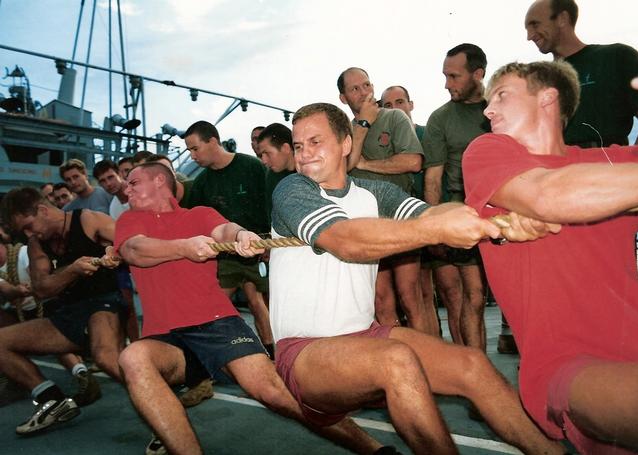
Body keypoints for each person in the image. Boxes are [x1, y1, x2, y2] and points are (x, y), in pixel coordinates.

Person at [269, 102, 564, 455]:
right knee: (397, 359)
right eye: (299, 146)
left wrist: (500, 223)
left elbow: (431, 213)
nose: (304, 155)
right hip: (304, 352)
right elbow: (346, 240)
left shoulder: (373, 193)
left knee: (472, 365)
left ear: (346, 143)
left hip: (366, 336)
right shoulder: (292, 189)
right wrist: (436, 229)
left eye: (315, 142)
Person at [114, 162, 387, 455]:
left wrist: (242, 235)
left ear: (159, 181)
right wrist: (184, 247)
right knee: (133, 357)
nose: (125, 189)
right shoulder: (130, 221)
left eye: (133, 182)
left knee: (272, 392)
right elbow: (134, 250)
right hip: (166, 339)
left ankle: (377, 451)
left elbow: (225, 231)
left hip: (215, 323)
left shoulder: (199, 214)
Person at [462, 60, 638, 453]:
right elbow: (550, 196)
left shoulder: (611, 161)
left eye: (502, 96)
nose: (488, 110)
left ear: (548, 97)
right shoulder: (487, 154)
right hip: (569, 368)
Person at [0, 187, 124, 434]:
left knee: (106, 358)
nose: (28, 234)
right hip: (68, 315)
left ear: (43, 210)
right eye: (22, 231)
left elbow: (133, 243)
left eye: (28, 225)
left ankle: (160, 406)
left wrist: (117, 250)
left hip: (104, 304)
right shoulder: (37, 243)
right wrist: (73, 270)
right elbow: (43, 289)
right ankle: (52, 400)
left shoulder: (89, 220)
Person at [338, 67, 429, 333]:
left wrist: (366, 163)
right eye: (355, 88)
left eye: (367, 85)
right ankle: (399, 364)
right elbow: (345, 166)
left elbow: (412, 161)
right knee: (380, 301)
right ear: (343, 97)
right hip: (365, 224)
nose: (364, 92)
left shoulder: (395, 118)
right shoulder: (343, 130)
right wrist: (363, 124)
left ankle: (432, 361)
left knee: (410, 296)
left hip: (399, 218)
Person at [184, 121, 275, 359]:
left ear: (212, 141)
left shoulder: (252, 167)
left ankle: (275, 357)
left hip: (262, 250)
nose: (192, 156)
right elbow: (190, 220)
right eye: (189, 151)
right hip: (226, 256)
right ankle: (220, 357)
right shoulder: (201, 183)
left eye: (195, 148)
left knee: (265, 305)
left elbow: (272, 205)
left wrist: (270, 244)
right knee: (212, 306)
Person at [422, 43, 491, 351]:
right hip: (463, 216)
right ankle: (480, 377)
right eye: (445, 76)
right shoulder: (440, 119)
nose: (447, 84)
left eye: (454, 76)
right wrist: (433, 227)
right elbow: (433, 177)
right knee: (473, 297)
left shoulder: (499, 109)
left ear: (478, 74)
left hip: (506, 214)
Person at [525, 0, 638, 146]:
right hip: (554, 166)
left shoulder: (617, 57)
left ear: (562, 19)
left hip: (607, 165)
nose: (529, 36)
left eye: (535, 24)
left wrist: (633, 159)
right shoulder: (537, 79)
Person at [381, 85, 439, 337]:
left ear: (411, 104)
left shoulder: (429, 134)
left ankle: (439, 349)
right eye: (388, 105)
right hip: (402, 226)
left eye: (400, 101)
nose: (396, 108)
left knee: (430, 292)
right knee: (414, 292)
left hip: (430, 219)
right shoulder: (384, 144)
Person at [93, 159, 138, 343]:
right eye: (102, 181)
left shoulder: (140, 193)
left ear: (120, 174)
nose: (108, 183)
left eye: (111, 177)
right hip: (130, 262)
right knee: (129, 306)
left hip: (153, 255)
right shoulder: (113, 207)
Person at [256, 122, 296, 218]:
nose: (264, 161)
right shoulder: (271, 175)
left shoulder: (310, 171)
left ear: (285, 148)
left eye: (267, 153)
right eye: (262, 155)